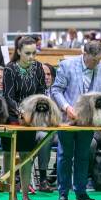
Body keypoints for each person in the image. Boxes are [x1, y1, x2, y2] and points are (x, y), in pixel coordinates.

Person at [51, 41, 101, 200]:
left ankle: (81, 192)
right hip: (67, 120)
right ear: (84, 54)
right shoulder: (67, 65)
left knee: (84, 156)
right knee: (65, 156)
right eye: (94, 60)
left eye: (99, 60)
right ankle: (63, 192)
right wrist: (66, 107)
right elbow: (56, 90)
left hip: (89, 122)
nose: (97, 64)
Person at [3, 36, 47, 200]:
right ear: (19, 51)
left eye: (34, 53)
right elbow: (8, 96)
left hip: (31, 119)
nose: (31, 57)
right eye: (27, 53)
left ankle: (25, 194)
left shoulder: (38, 68)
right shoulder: (10, 69)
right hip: (12, 118)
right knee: (9, 154)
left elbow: (42, 91)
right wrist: (20, 111)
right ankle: (11, 193)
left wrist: (35, 111)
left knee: (26, 155)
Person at [35, 62, 57, 192]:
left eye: (49, 74)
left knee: (73, 137)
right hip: (39, 130)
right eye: (43, 74)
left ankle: (56, 173)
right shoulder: (33, 91)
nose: (46, 77)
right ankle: (43, 179)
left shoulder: (59, 92)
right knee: (44, 137)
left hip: (58, 131)